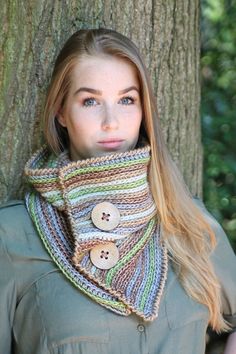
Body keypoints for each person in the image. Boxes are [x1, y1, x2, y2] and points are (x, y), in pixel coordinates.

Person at [0, 28, 235, 354]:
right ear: (61, 112)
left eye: (127, 99)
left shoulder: (190, 222)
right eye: (90, 101)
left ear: (144, 110)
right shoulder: (11, 235)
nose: (111, 121)